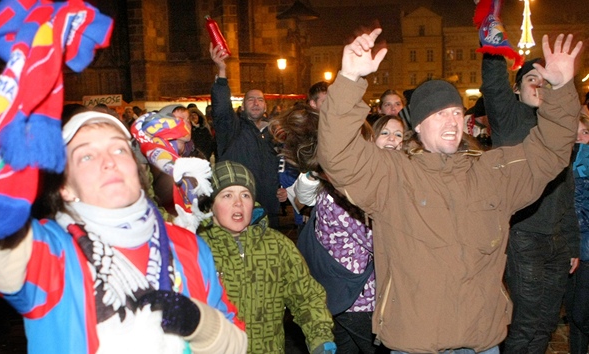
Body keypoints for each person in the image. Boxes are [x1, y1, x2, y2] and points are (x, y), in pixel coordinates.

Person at [316, 28, 582, 353]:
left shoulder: (492, 172)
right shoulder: (394, 176)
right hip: (415, 344)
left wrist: (562, 87)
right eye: (439, 114)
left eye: (456, 112)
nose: (452, 120)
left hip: (481, 341)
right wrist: (348, 79)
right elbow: (338, 155)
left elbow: (550, 151)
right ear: (417, 126)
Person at [0, 97, 247, 353]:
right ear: (65, 188)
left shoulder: (188, 246)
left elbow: (237, 341)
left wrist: (199, 323)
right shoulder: (47, 254)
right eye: (86, 155)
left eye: (119, 150)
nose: (109, 161)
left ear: (137, 169)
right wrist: (14, 87)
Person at [480, 41, 580, 354]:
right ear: (517, 88)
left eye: (544, 81)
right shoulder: (509, 118)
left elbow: (567, 192)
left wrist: (572, 244)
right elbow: (494, 84)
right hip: (524, 238)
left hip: (557, 242)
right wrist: (492, 32)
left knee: (548, 320)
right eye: (531, 80)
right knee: (525, 320)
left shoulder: (558, 131)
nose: (538, 86)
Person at [272, 105, 388, 353]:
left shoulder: (334, 185)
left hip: (339, 298)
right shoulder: (346, 194)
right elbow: (380, 241)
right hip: (359, 300)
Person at [197, 160, 336, 354]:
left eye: (245, 195)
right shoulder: (197, 249)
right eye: (227, 195)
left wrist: (320, 337)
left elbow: (306, 296)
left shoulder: (277, 246)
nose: (238, 203)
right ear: (211, 204)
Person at [209, 43, 283, 229]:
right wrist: (222, 71)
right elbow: (221, 108)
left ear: (265, 106)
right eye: (250, 99)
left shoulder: (275, 133)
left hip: (268, 210)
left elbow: (285, 166)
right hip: (238, 210)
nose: (256, 103)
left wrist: (287, 189)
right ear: (243, 106)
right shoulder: (233, 128)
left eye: (260, 100)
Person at [565, 111, 589, 354]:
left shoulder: (584, 164)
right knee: (574, 315)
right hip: (572, 248)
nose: (581, 138)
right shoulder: (565, 164)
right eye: (575, 135)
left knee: (581, 315)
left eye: (585, 132)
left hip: (586, 250)